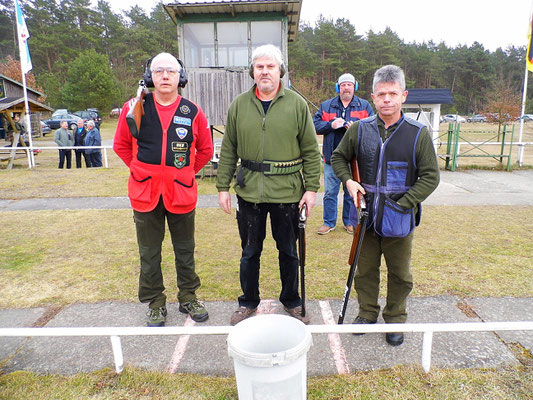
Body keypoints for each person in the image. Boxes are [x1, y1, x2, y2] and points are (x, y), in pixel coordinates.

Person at [331, 65, 440, 346]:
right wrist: (349, 182)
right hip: (366, 216)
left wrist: (406, 203)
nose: (387, 99)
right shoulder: (360, 129)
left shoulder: (418, 133)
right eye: (381, 94)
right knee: (365, 270)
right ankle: (367, 313)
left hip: (400, 217)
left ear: (403, 95)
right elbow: (338, 158)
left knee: (400, 274)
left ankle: (395, 319)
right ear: (373, 97)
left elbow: (431, 176)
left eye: (393, 93)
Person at [216, 44, 322, 326]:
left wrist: (311, 189)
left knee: (288, 250)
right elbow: (228, 149)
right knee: (250, 251)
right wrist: (222, 187)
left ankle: (291, 300)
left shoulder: (297, 105)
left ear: (280, 71)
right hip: (249, 192)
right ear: (253, 72)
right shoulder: (239, 105)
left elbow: (312, 151)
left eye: (270, 66)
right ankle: (248, 301)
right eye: (259, 67)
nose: (264, 71)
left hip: (287, 193)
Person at [113, 52, 213, 327]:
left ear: (180, 77)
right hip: (144, 194)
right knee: (149, 252)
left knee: (185, 250)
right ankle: (155, 302)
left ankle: (188, 297)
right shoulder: (134, 107)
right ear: (150, 77)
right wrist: (138, 170)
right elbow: (121, 145)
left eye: (170, 71)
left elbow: (205, 149)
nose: (165, 76)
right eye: (159, 71)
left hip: (181, 193)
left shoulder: (192, 111)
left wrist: (185, 173)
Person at [314, 73, 374, 235]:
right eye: (343, 85)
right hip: (331, 159)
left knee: (351, 193)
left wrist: (357, 127)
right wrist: (331, 125)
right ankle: (329, 222)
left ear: (354, 87)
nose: (346, 87)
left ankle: (349, 222)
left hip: (354, 159)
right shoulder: (326, 106)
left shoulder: (364, 106)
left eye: (349, 84)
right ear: (338, 87)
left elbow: (373, 127)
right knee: (330, 193)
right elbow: (315, 125)